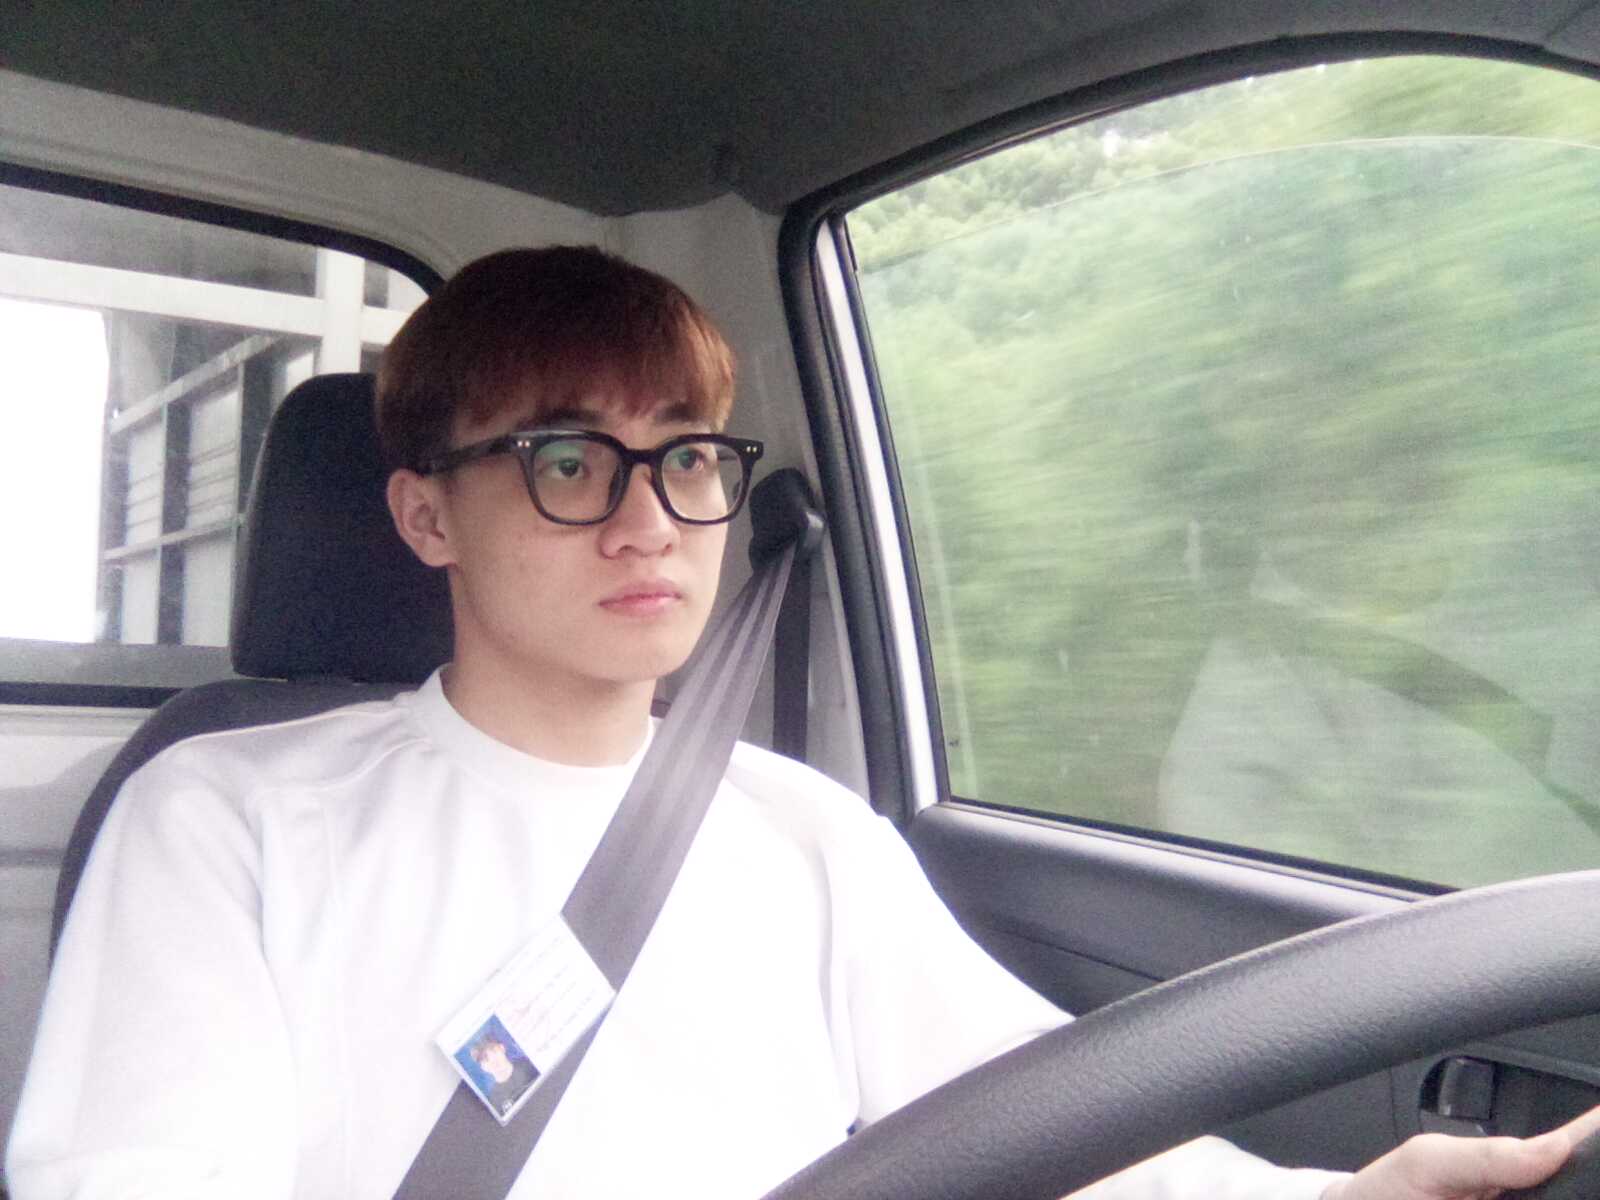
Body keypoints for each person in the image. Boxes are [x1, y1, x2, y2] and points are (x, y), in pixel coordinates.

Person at [7, 247, 1596, 1198]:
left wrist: (1341, 1197)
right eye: (568, 462)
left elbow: (1053, 1119)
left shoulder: (802, 832)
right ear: (426, 516)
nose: (651, 520)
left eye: (688, 458)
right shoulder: (224, 816)